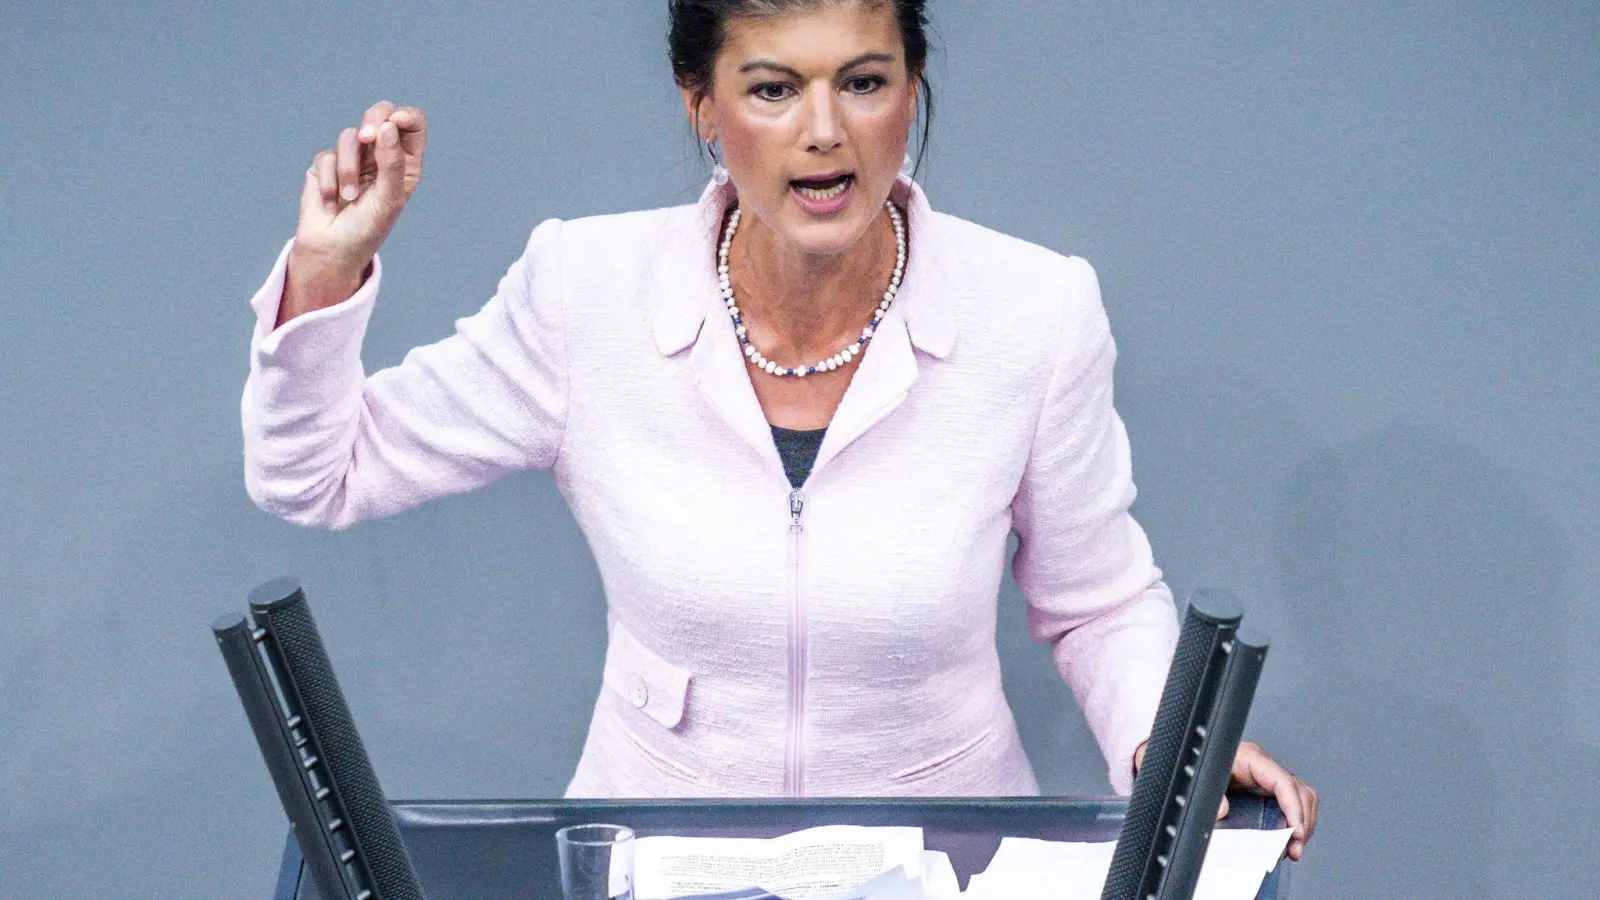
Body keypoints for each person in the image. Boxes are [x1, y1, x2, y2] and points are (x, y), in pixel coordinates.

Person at [242, 0, 1318, 860]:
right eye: (772, 88)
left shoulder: (1034, 312)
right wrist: (329, 271)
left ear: (911, 90)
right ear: (701, 107)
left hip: (943, 863)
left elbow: (1096, 603)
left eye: (863, 80)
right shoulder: (585, 294)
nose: (823, 130)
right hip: (654, 856)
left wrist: (1170, 750)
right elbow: (316, 475)